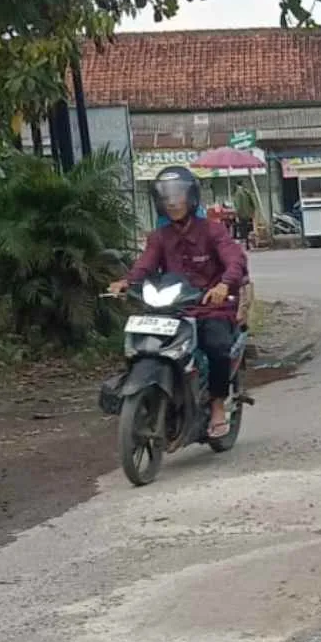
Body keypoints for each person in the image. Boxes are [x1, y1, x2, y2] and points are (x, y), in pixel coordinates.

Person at [108, 166, 248, 439]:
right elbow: (145, 263)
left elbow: (235, 259)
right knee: (143, 343)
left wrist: (223, 285)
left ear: (191, 197)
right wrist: (126, 281)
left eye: (178, 195)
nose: (172, 202)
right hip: (172, 307)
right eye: (166, 196)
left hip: (211, 306)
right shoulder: (159, 237)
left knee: (216, 346)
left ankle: (218, 405)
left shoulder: (213, 230)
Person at [232, 180, 257, 250]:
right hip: (248, 214)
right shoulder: (246, 191)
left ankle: (245, 245)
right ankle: (248, 244)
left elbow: (238, 206)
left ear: (237, 185)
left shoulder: (238, 193)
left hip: (242, 214)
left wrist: (236, 213)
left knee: (242, 230)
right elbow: (253, 203)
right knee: (247, 229)